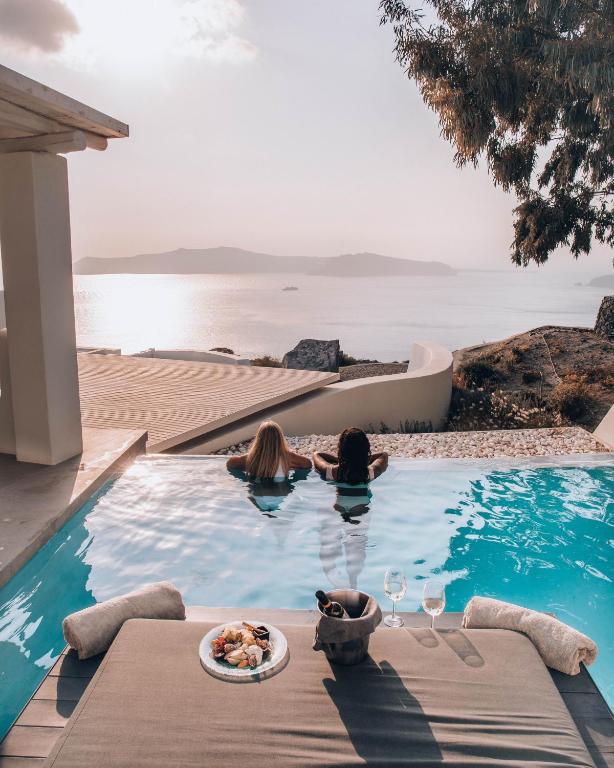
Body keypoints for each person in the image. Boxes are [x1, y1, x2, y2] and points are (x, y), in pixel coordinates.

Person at [226, 420, 311, 479]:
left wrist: (245, 477)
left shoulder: (251, 458)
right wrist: (292, 481)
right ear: (280, 439)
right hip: (281, 494)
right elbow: (307, 463)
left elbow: (230, 463)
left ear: (258, 439)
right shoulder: (287, 456)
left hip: (257, 494)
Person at [313, 427, 388, 484]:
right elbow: (384, 455)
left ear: (341, 449)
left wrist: (340, 459)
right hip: (364, 502)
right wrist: (360, 458)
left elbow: (317, 455)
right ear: (366, 448)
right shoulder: (371, 472)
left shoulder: (331, 472)